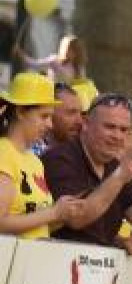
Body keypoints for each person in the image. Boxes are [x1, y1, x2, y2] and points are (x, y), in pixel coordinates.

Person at [44, 92, 132, 255]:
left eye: (123, 129)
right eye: (110, 127)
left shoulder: (114, 166)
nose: (117, 136)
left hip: (98, 265)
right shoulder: (61, 158)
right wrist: (120, 176)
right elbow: (76, 218)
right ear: (86, 123)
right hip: (59, 261)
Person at [0, 72, 84, 239]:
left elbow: (36, 222)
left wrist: (63, 215)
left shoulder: (35, 162)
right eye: (44, 116)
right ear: (21, 111)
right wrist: (54, 213)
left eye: (51, 117)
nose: (50, 124)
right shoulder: (4, 152)